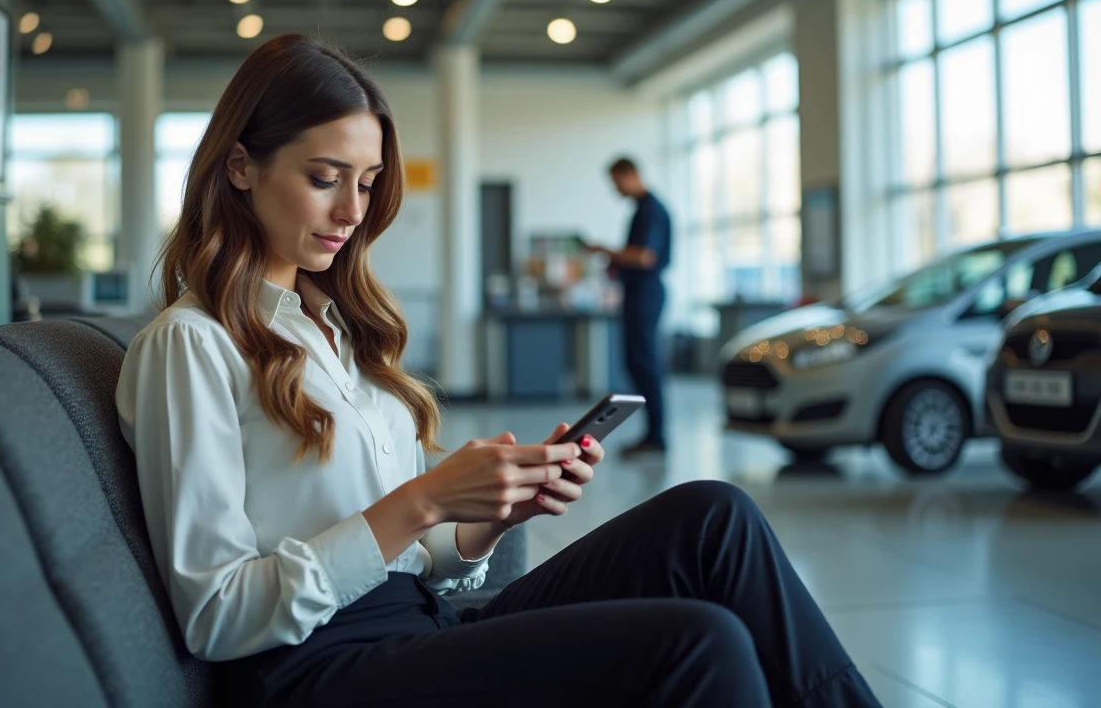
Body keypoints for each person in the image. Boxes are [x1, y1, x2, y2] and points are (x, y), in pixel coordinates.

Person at [115, 34, 881, 707]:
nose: (353, 210)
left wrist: (492, 518)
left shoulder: (336, 332)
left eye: (370, 180)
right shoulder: (190, 345)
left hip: (417, 624)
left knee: (715, 519)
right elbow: (216, 614)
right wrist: (420, 501)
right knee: (697, 642)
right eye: (325, 177)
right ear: (242, 167)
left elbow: (410, 566)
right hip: (318, 669)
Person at [581, 158, 672, 458]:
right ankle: (652, 433)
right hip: (638, 293)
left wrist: (604, 250)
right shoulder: (643, 209)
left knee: (645, 365)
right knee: (637, 364)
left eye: (616, 182)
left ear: (630, 174)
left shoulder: (650, 210)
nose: (615, 189)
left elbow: (643, 257)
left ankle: (656, 437)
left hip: (645, 294)